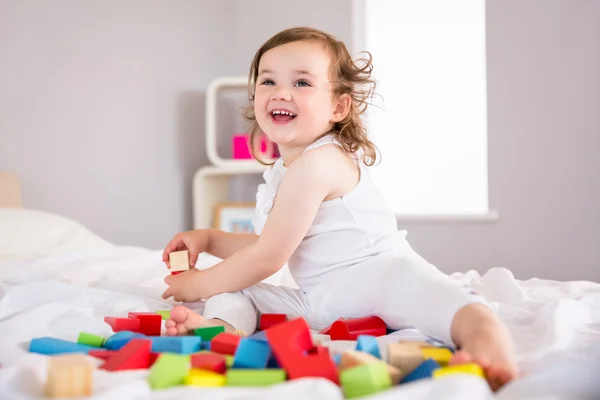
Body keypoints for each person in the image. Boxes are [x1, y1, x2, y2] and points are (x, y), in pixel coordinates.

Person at [160, 26, 518, 391]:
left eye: (301, 83)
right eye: (268, 82)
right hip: (322, 303)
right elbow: (266, 243)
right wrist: (206, 239)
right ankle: (223, 330)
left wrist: (198, 283)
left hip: (382, 278)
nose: (281, 92)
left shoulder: (321, 162)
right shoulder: (284, 171)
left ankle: (489, 347)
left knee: (452, 303)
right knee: (238, 286)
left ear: (338, 106)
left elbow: (269, 257)